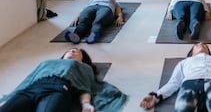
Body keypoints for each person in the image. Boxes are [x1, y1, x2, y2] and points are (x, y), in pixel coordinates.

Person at [0, 48, 128, 112]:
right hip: (30, 90)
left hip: (57, 90)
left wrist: (86, 104)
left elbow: (85, 88)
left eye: (77, 52)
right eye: (69, 51)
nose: (72, 51)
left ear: (83, 59)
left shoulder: (84, 67)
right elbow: (29, 79)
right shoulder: (48, 62)